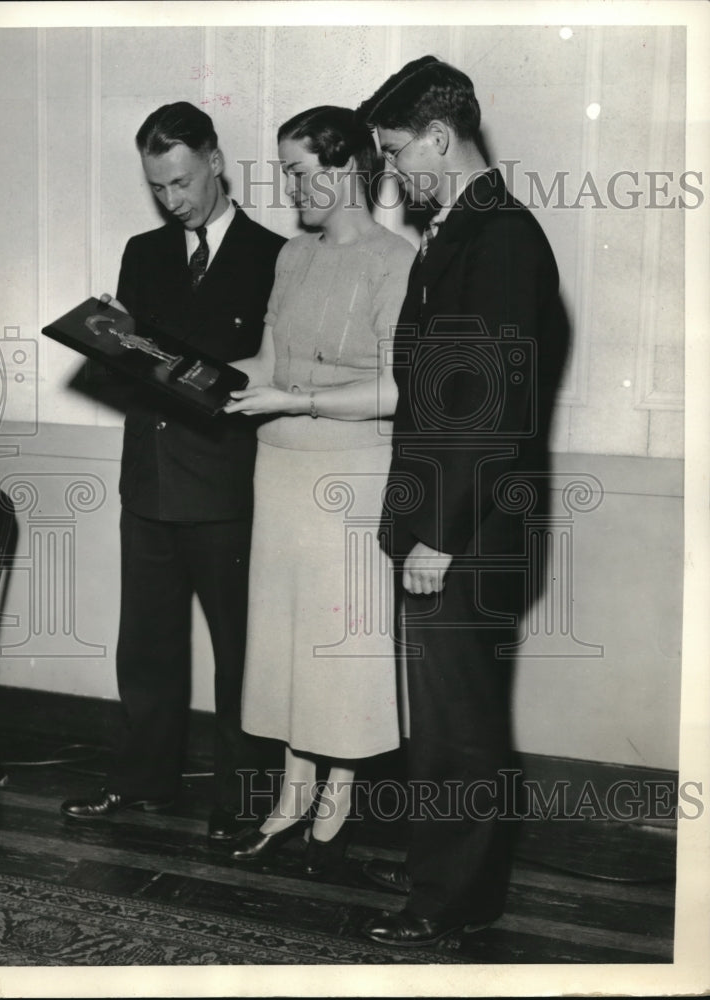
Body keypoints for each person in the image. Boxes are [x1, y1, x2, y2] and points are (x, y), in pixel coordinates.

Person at [356, 57, 570, 945]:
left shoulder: (504, 237)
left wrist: (438, 535)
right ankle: (441, 867)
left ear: (440, 137)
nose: (394, 174)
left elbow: (493, 411)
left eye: (399, 152)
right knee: (446, 720)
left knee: (459, 726)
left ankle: (452, 901)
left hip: (469, 528)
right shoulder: (462, 230)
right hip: (448, 518)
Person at [61, 102, 285, 842]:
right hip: (150, 479)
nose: (172, 199)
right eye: (159, 187)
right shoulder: (143, 252)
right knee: (146, 647)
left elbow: (273, 377)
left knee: (238, 656)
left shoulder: (276, 255)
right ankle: (141, 782)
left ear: (216, 161)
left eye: (182, 181)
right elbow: (134, 368)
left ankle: (241, 799)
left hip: (227, 487)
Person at [222, 106, 415, 875]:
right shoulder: (293, 258)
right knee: (283, 638)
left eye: (300, 172)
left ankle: (339, 790)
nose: (289, 187)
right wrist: (162, 360)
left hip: (353, 476)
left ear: (342, 173)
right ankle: (292, 788)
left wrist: (297, 399)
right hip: (281, 466)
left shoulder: (395, 261)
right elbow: (267, 364)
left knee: (340, 643)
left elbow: (399, 388)